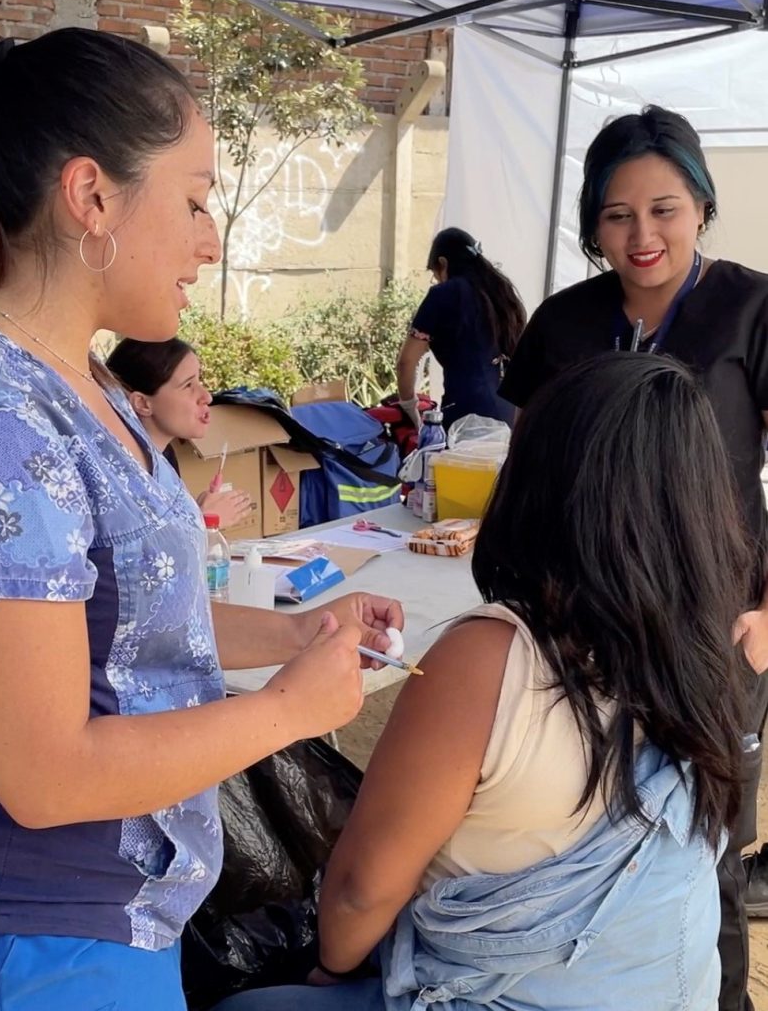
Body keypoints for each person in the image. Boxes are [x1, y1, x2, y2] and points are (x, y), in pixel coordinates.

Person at [0, 24, 403, 1011]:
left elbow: (130, 622)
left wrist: (300, 634)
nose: (212, 239)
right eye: (196, 200)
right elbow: (43, 772)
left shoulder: (87, 384)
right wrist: (286, 711)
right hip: (9, 946)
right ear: (92, 197)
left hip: (98, 922)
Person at [211, 351, 750, 1011]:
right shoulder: (705, 643)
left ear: (539, 481)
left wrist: (331, 966)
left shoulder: (489, 658)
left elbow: (359, 893)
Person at [499, 104, 768, 1011]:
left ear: (699, 205)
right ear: (592, 223)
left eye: (665, 208)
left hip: (717, 629)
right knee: (584, 832)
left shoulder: (751, 308)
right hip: (582, 628)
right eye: (618, 215)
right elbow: (528, 464)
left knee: (708, 851)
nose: (642, 234)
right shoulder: (564, 323)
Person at [106, 336, 252, 530]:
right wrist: (203, 523)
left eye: (200, 381)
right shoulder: (119, 476)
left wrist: (193, 513)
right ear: (143, 403)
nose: (206, 396)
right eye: (188, 386)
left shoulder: (165, 457)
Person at [395, 227, 525, 432]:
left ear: (443, 263)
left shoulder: (443, 294)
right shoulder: (502, 292)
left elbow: (406, 362)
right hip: (509, 412)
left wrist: (409, 407)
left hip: (465, 413)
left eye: (435, 274)